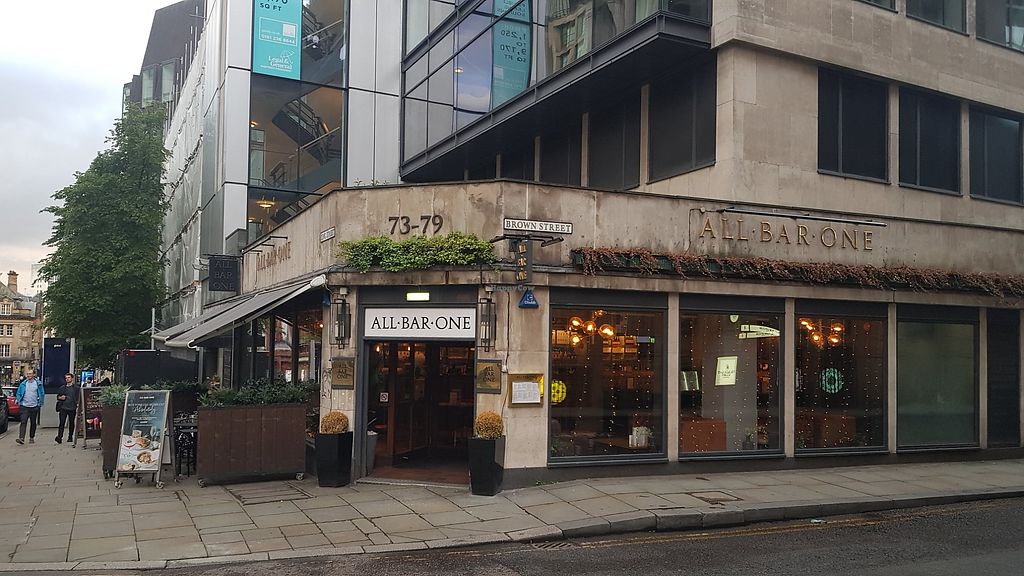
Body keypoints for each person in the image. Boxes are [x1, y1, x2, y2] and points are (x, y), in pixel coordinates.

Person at [15, 368, 44, 445]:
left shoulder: (38, 384)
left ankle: (31, 437)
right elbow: (18, 393)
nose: (28, 375)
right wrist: (18, 399)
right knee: (23, 421)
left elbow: (42, 393)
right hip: (24, 406)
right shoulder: (23, 384)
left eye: (30, 374)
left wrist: (39, 403)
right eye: (27, 374)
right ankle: (21, 438)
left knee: (33, 423)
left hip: (34, 406)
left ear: (34, 375)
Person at [55, 373, 80, 444]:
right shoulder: (62, 388)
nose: (67, 379)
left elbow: (78, 397)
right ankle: (59, 437)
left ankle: (70, 436)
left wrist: (78, 405)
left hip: (72, 408)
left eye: (68, 377)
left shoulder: (76, 388)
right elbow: (58, 397)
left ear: (72, 378)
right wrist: (61, 397)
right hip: (63, 407)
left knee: (71, 422)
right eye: (66, 378)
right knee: (61, 423)